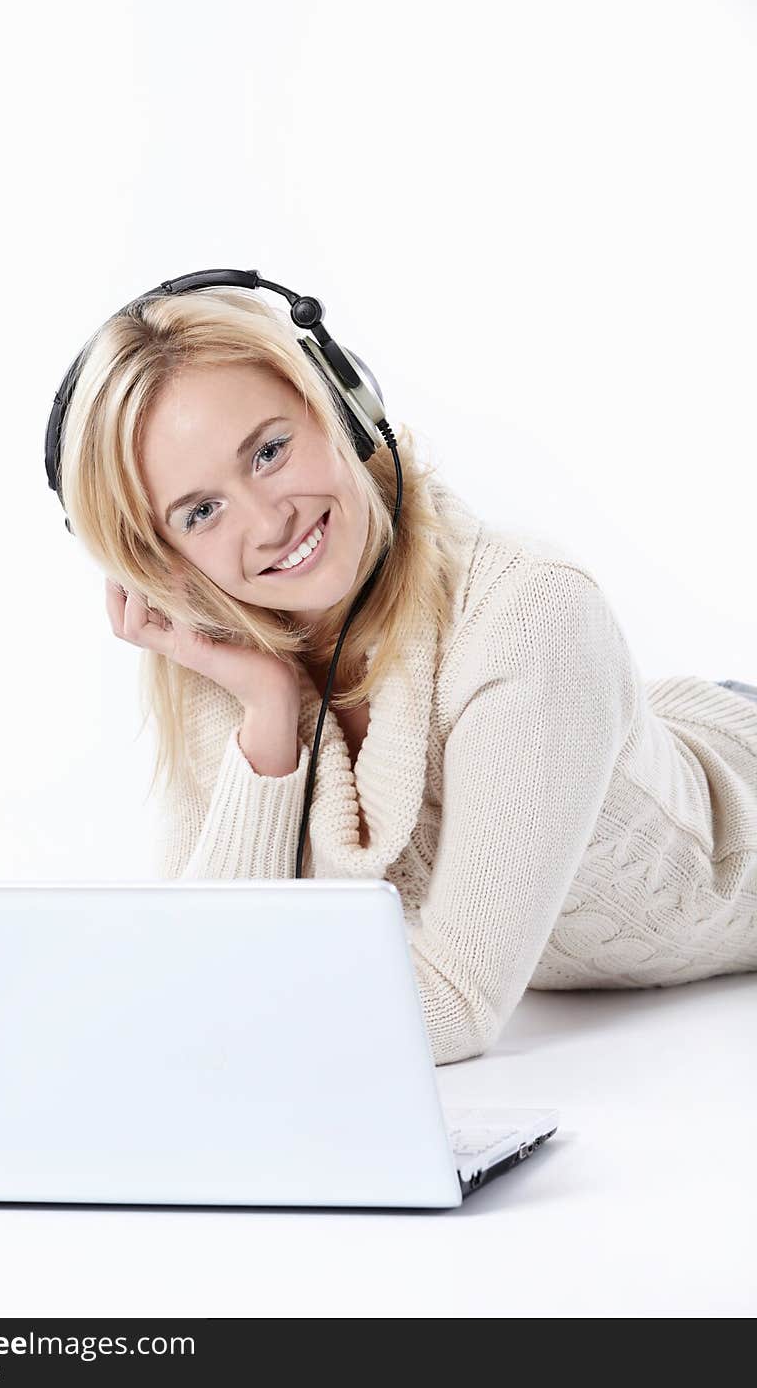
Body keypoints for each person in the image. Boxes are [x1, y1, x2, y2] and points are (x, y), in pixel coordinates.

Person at [56, 286, 757, 1066]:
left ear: (343, 406)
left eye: (268, 451)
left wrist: (194, 1035)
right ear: (160, 561)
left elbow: (453, 1004)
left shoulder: (533, 614)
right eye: (200, 512)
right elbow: (203, 960)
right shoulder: (227, 651)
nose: (268, 521)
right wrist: (267, 709)